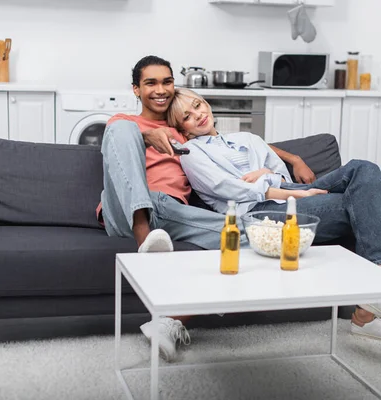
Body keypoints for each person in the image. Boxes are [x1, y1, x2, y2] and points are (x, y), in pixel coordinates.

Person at [98, 55, 317, 361]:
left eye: (167, 81)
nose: (160, 89)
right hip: (125, 210)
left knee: (260, 237)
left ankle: (170, 322)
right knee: (122, 131)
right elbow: (119, 143)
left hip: (173, 215)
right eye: (150, 83)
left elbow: (240, 140)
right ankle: (143, 239)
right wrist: (145, 135)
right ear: (136, 89)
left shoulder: (183, 130)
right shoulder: (124, 124)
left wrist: (293, 159)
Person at [166, 88, 381, 344]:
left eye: (198, 105)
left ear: (206, 103)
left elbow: (282, 175)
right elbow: (226, 188)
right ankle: (378, 296)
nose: (197, 114)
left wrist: (268, 177)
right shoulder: (191, 153)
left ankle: (376, 293)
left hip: (291, 192)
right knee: (378, 200)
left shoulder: (248, 138)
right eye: (187, 116)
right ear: (182, 128)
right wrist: (287, 194)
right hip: (259, 212)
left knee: (364, 168)